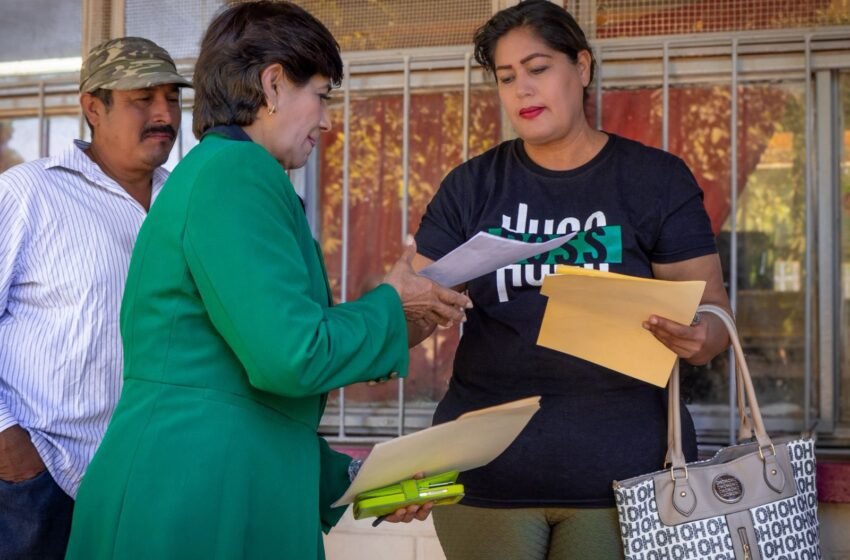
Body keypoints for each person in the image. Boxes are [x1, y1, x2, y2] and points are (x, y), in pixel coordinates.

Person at [64, 2, 471, 559]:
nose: (326, 120)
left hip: (203, 484)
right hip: (195, 498)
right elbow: (290, 355)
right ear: (274, 84)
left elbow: (241, 389)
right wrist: (391, 307)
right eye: (322, 95)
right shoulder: (237, 173)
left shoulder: (224, 172)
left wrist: (355, 479)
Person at [411, 1, 733, 558]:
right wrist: (418, 307)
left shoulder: (653, 179)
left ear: (581, 67)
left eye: (538, 69)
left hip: (623, 475)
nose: (522, 90)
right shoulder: (471, 187)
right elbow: (409, 319)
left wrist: (700, 335)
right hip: (485, 475)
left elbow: (714, 319)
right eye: (506, 78)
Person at [0, 37, 190, 559]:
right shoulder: (29, 193)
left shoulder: (187, 203)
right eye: (141, 99)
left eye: (172, 98)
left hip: (150, 484)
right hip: (42, 483)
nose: (163, 114)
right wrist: (10, 448)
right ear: (92, 107)